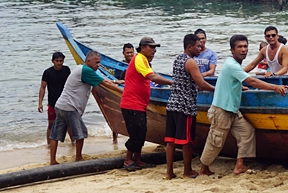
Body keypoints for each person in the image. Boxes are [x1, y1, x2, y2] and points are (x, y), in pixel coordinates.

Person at [199, 35, 288, 176]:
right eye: (239, 47)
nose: (243, 50)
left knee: (247, 132)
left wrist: (239, 86)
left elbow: (232, 81)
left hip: (232, 110)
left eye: (245, 46)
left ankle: (239, 166)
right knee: (215, 140)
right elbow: (252, 81)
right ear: (232, 50)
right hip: (221, 109)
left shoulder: (234, 64)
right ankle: (204, 169)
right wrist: (275, 87)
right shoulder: (232, 65)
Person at [49, 51, 123, 165]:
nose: (98, 65)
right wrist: (124, 92)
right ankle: (78, 157)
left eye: (99, 62)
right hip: (70, 107)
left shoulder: (82, 68)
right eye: (96, 62)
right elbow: (104, 84)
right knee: (81, 133)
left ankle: (52, 160)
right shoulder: (86, 70)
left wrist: (115, 81)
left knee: (55, 135)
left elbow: (102, 81)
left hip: (60, 105)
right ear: (88, 61)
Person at [165, 34, 215, 180]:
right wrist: (217, 89)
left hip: (172, 104)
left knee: (171, 141)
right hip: (185, 106)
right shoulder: (191, 62)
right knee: (186, 141)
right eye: (197, 46)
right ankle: (187, 171)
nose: (200, 49)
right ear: (189, 47)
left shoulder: (178, 59)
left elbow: (185, 82)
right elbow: (201, 84)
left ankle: (169, 172)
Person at [121, 37, 173, 171]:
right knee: (136, 133)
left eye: (155, 48)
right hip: (131, 104)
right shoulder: (139, 59)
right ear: (143, 48)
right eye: (151, 47)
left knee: (141, 132)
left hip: (139, 104)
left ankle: (137, 159)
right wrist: (173, 82)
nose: (154, 50)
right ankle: (128, 160)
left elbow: (152, 76)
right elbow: (152, 77)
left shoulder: (144, 61)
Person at [38, 51, 72, 146]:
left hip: (66, 101)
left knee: (69, 124)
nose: (59, 63)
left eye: (61, 61)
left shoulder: (66, 70)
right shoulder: (48, 72)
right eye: (57, 61)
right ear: (53, 61)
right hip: (53, 103)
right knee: (51, 124)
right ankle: (49, 144)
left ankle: (73, 142)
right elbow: (42, 88)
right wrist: (40, 103)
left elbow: (71, 84)